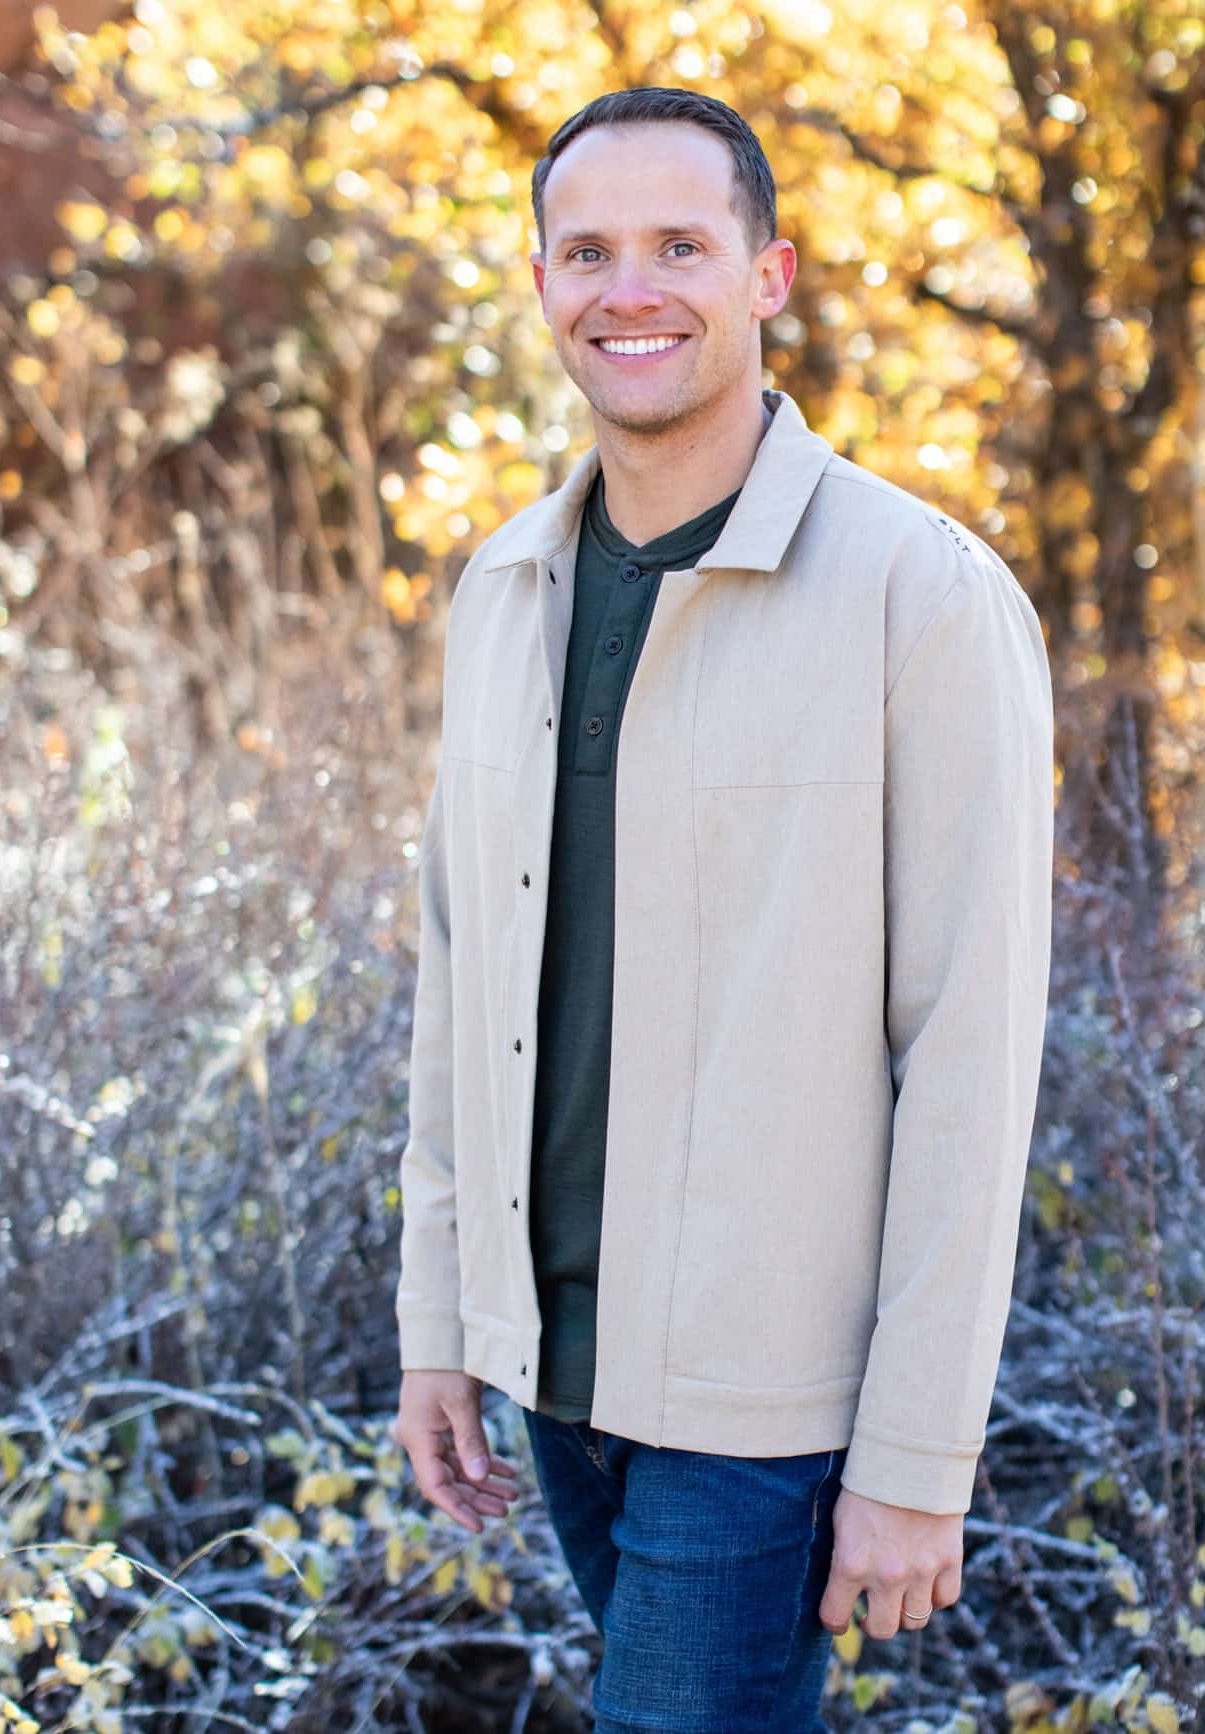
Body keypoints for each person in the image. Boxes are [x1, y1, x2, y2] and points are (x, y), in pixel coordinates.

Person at [392, 86, 1055, 1733]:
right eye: (590, 249)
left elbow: (970, 1054)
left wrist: (914, 1456)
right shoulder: (501, 592)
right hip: (553, 1370)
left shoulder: (923, 594)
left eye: (682, 244)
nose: (633, 289)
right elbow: (457, 974)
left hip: (765, 1410)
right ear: (541, 280)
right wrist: (438, 1321)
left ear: (768, 277)